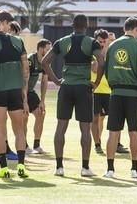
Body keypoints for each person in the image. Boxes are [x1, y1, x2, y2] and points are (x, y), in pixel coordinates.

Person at [43, 14, 104, 177]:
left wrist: (56, 80)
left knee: (61, 126)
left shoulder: (61, 42)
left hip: (66, 87)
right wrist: (96, 82)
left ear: (72, 25)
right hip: (83, 88)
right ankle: (85, 168)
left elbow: (44, 61)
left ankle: (59, 167)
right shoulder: (91, 42)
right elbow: (101, 61)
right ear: (86, 26)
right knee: (85, 128)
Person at [103, 17, 137, 179]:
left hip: (116, 94)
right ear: (136, 29)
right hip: (133, 95)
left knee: (113, 133)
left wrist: (114, 87)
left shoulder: (112, 45)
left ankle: (110, 169)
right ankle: (134, 169)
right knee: (134, 132)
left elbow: (107, 70)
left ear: (125, 29)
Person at [0, 15, 30, 179]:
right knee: (19, 130)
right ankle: (21, 166)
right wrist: (24, 93)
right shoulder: (18, 41)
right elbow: (25, 68)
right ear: (1, 26)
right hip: (16, 90)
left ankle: (4, 168)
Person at [91, 30, 116, 155]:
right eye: (99, 42)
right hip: (94, 91)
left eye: (104, 42)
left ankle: (115, 143)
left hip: (108, 91)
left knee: (113, 119)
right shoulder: (92, 53)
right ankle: (97, 144)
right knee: (95, 119)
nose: (101, 44)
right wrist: (100, 53)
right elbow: (95, 69)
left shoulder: (111, 54)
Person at [25, 39, 51, 154]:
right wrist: (24, 100)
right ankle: (24, 146)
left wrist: (42, 101)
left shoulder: (46, 62)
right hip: (22, 91)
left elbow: (44, 81)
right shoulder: (31, 59)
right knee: (23, 118)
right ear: (41, 49)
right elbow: (24, 80)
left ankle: (36, 145)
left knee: (41, 114)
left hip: (30, 92)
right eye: (47, 49)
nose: (49, 51)